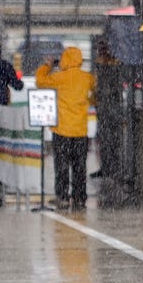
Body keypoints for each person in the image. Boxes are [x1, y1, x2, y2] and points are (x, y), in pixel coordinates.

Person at [36, 46, 97, 210]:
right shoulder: (87, 78)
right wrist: (88, 102)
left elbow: (40, 81)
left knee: (61, 166)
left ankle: (62, 197)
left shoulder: (59, 77)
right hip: (80, 130)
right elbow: (97, 94)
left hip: (62, 130)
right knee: (79, 167)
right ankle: (79, 198)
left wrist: (47, 65)